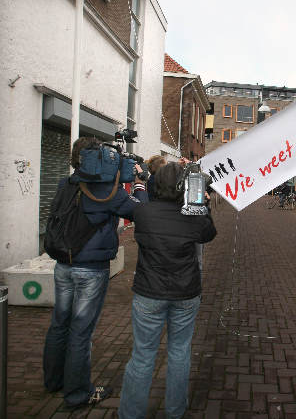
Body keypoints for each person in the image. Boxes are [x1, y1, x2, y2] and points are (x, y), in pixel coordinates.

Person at [43, 137, 148, 409]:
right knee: (80, 332)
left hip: (63, 264)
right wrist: (139, 183)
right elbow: (141, 211)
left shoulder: (66, 183)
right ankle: (77, 394)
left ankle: (54, 381)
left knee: (59, 324)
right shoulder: (107, 190)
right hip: (90, 269)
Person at [119, 162, 217, 419]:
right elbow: (209, 234)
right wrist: (203, 205)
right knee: (179, 352)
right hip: (185, 293)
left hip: (148, 293)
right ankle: (175, 411)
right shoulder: (193, 216)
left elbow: (127, 205)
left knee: (142, 355)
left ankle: (130, 414)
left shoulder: (143, 213)